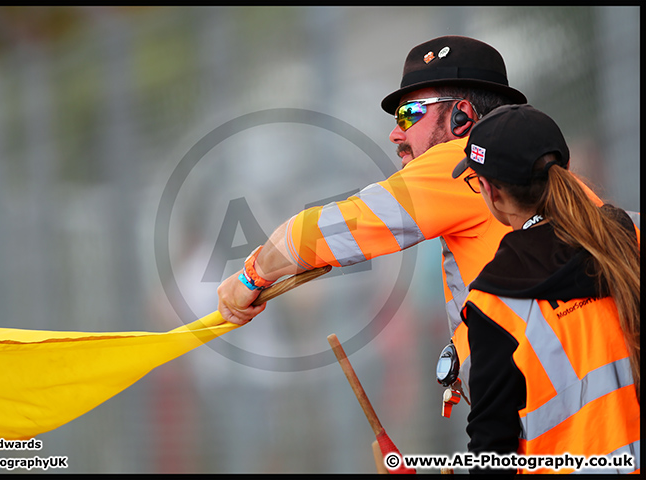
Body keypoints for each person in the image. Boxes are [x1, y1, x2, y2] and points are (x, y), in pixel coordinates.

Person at [216, 36, 605, 395]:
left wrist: (251, 276)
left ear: (462, 118)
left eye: (408, 115)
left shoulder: (464, 162)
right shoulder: (544, 175)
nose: (395, 134)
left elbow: (322, 233)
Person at [451, 104, 640, 475]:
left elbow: (491, 450)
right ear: (565, 170)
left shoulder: (495, 302)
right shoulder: (630, 237)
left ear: (491, 190)